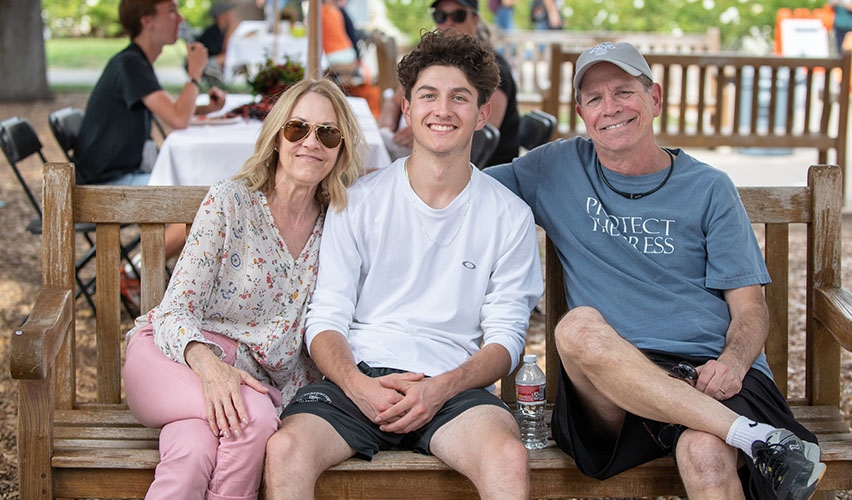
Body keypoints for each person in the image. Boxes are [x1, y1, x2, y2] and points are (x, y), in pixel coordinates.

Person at [486, 42, 826, 500]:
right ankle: (760, 440)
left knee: (705, 452)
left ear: (656, 99)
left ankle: (727, 430)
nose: (611, 108)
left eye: (624, 91)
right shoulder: (554, 168)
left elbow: (750, 307)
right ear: (582, 112)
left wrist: (732, 361)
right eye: (594, 98)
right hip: (613, 390)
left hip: (708, 373)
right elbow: (458, 189)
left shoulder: (708, 188)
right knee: (579, 328)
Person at [264, 30, 543, 500]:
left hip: (453, 384)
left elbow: (506, 338)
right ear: (408, 109)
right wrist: (355, 383)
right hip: (360, 376)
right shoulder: (359, 202)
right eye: (428, 96)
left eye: (460, 98)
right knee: (286, 449)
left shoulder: (509, 216)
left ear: (482, 114)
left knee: (507, 457)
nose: (443, 110)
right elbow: (327, 316)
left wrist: (442, 387)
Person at [121, 78, 366, 500]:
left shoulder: (337, 227)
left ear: (340, 149)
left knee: (193, 453)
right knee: (250, 420)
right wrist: (211, 368)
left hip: (246, 388)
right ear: (276, 137)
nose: (311, 142)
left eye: (328, 133)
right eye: (297, 128)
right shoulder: (230, 202)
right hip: (174, 356)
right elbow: (175, 309)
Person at [75, 0, 227, 186]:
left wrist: (206, 108)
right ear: (147, 21)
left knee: (205, 185)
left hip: (121, 175)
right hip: (108, 185)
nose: (180, 18)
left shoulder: (135, 61)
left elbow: (171, 110)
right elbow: (178, 119)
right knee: (202, 191)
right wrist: (195, 73)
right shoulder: (130, 65)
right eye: (171, 11)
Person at [378, 0, 520, 167]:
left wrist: (423, 130)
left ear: (475, 19)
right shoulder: (430, 61)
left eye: (458, 16)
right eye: (441, 16)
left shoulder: (494, 70)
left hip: (484, 171)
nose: (448, 23)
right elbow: (394, 102)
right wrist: (387, 132)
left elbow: (478, 138)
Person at [197, 1, 238, 75]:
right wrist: (230, 31)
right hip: (206, 62)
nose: (232, 15)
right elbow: (223, 51)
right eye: (229, 13)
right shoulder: (211, 33)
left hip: (214, 60)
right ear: (222, 15)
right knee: (229, 58)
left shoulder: (222, 31)